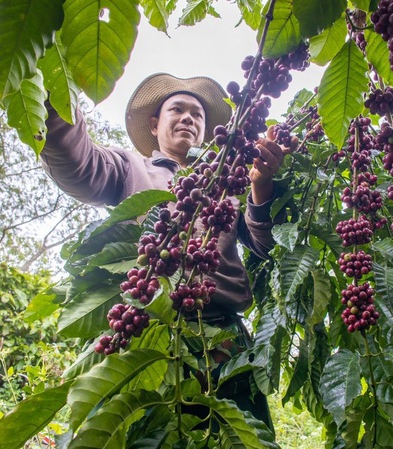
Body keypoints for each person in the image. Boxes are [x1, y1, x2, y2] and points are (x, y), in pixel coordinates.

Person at [40, 73, 290, 432]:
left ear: (206, 132)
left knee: (241, 437)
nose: (189, 117)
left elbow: (264, 243)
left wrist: (261, 184)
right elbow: (78, 164)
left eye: (198, 114)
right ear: (155, 126)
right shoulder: (131, 167)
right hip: (149, 326)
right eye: (178, 109)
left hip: (223, 337)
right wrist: (56, 87)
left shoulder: (227, 184)